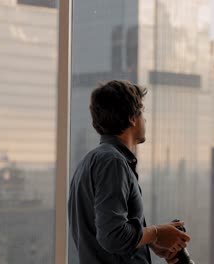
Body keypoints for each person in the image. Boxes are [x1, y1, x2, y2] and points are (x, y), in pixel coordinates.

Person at [68, 80, 190, 264]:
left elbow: (108, 234)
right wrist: (157, 233)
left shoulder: (90, 161)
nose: (145, 119)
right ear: (132, 118)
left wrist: (152, 242)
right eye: (142, 112)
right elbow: (113, 236)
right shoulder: (112, 162)